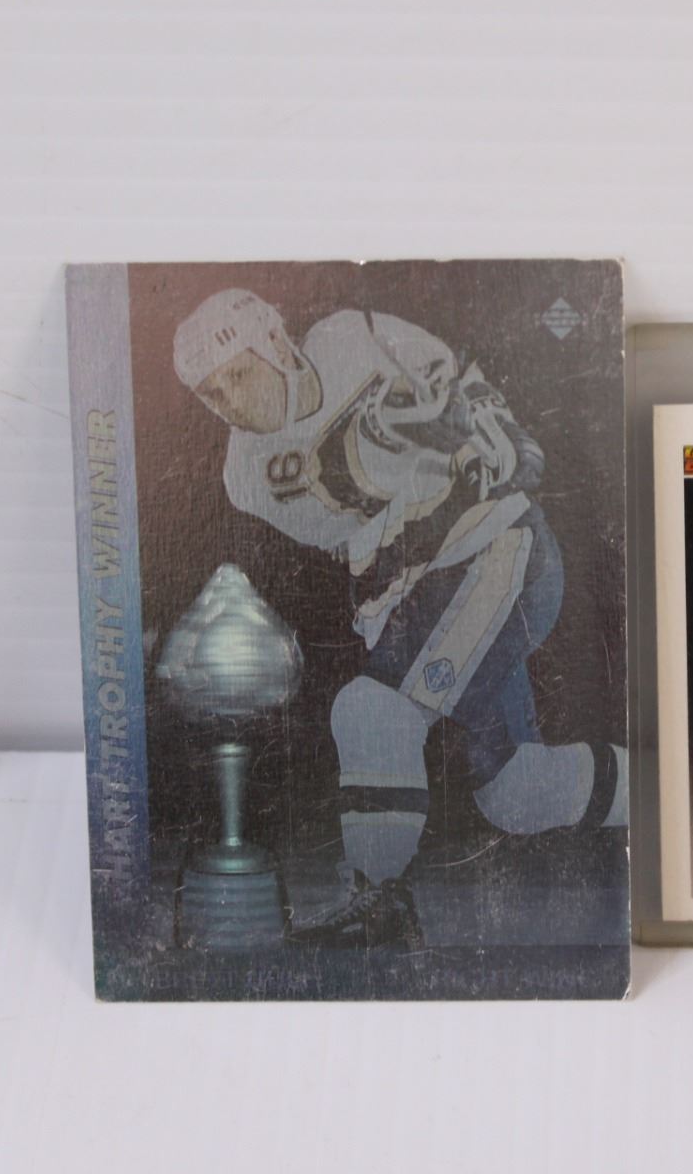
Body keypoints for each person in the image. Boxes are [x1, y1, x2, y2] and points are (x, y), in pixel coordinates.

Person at [172, 289, 626, 947]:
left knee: (371, 711)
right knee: (516, 794)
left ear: (274, 342)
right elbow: (351, 500)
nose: (230, 402)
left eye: (236, 375)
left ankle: (378, 903)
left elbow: (461, 383)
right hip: (423, 588)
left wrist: (492, 431)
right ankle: (658, 792)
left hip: (493, 547)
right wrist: (399, 431)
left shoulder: (349, 334)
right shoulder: (245, 474)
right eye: (212, 394)